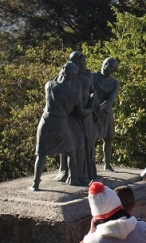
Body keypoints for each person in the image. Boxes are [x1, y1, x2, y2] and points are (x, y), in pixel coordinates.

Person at [30, 62, 90, 191]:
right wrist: (91, 108)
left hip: (46, 122)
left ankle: (35, 184)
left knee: (40, 154)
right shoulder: (75, 94)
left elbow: (56, 79)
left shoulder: (50, 86)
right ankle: (73, 179)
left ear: (62, 72)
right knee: (71, 152)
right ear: (74, 76)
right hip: (61, 124)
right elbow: (81, 113)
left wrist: (63, 71)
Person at [56, 51, 98, 184]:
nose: (83, 64)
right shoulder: (66, 75)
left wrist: (93, 102)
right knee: (75, 145)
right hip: (71, 115)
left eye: (84, 62)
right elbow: (57, 90)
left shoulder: (88, 74)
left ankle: (87, 174)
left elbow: (92, 91)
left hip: (86, 113)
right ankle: (72, 175)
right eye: (80, 62)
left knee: (87, 144)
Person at [93, 57, 121, 172]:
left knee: (108, 138)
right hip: (93, 112)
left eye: (110, 67)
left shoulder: (114, 83)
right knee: (91, 139)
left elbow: (111, 98)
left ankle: (107, 163)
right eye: (105, 64)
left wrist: (102, 106)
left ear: (114, 70)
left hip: (106, 112)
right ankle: (90, 164)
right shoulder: (92, 77)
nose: (106, 68)